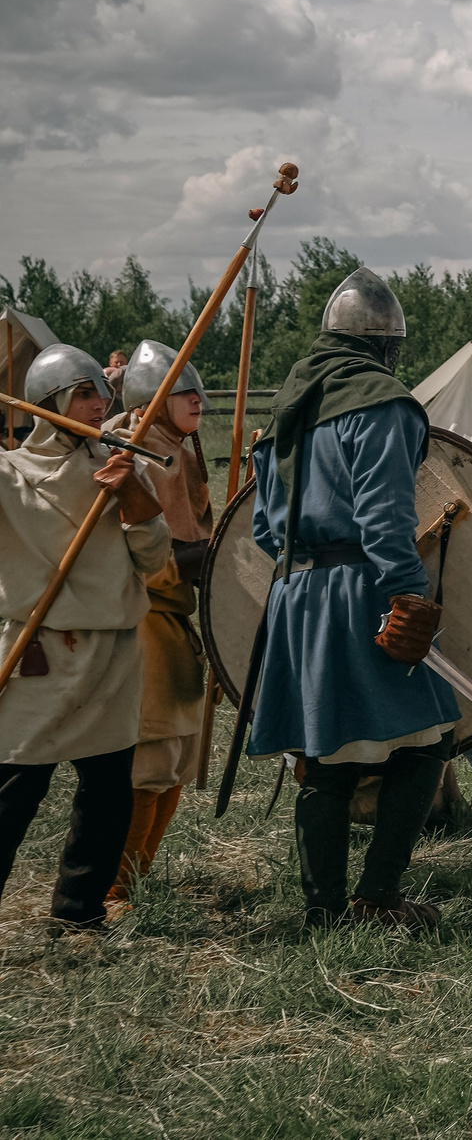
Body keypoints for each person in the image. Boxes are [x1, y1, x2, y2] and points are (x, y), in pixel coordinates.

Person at [245, 268, 457, 930]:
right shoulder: (382, 403)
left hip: (297, 594)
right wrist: (407, 596)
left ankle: (323, 910)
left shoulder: (291, 403)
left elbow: (261, 528)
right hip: (360, 592)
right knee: (427, 740)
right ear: (385, 346)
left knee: (325, 752)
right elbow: (385, 518)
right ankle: (377, 895)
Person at [0, 344, 166, 930]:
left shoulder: (125, 463)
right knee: (14, 788)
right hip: (38, 649)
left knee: (106, 788)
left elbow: (154, 559)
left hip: (113, 650)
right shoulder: (8, 475)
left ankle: (78, 912)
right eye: (84, 393)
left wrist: (134, 499)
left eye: (102, 391)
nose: (100, 405)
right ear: (48, 406)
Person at [101, 341, 214, 905]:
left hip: (175, 618)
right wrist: (199, 559)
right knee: (149, 760)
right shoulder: (138, 455)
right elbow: (145, 552)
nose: (198, 399)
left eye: (197, 390)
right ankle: (115, 887)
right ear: (154, 399)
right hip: (145, 615)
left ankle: (136, 878)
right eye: (183, 392)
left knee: (172, 759)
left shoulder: (181, 451)